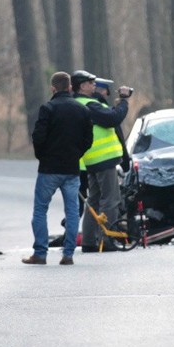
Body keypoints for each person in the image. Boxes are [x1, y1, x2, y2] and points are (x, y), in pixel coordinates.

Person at [23, 71, 93, 266]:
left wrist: (43, 156)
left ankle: (40, 253)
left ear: (53, 88)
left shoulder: (47, 109)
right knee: (72, 211)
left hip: (49, 169)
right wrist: (76, 154)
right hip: (72, 169)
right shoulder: (82, 110)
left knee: (40, 210)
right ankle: (68, 254)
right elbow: (88, 139)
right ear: (70, 88)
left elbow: (38, 137)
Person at [72, 69, 132, 252]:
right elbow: (113, 118)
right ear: (82, 86)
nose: (94, 86)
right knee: (111, 199)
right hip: (103, 159)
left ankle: (89, 242)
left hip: (92, 160)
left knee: (95, 199)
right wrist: (123, 102)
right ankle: (108, 239)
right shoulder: (89, 104)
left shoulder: (80, 103)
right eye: (91, 83)